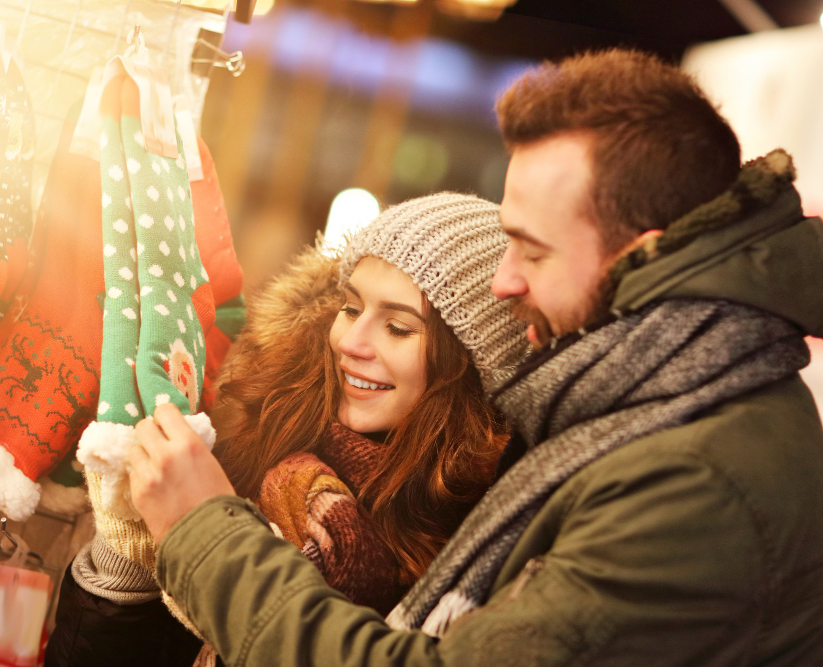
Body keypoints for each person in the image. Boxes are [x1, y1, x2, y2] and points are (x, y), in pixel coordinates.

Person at [122, 48, 823, 665]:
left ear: (637, 251)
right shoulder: (657, 400)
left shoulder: (694, 481)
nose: (503, 280)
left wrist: (204, 527)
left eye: (534, 249)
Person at [45, 193, 528, 666]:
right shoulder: (252, 440)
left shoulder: (481, 544)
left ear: (469, 368)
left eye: (399, 328)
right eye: (352, 308)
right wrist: (126, 565)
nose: (352, 342)